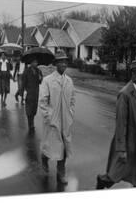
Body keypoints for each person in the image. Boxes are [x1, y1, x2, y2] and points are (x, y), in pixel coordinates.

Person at [96, 59, 136, 189]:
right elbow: (121, 124)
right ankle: (102, 182)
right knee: (116, 174)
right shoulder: (124, 94)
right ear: (133, 73)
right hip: (127, 144)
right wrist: (121, 149)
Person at [38, 51, 76, 185]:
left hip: (65, 121)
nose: (63, 64)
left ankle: (61, 173)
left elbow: (72, 99)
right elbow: (43, 102)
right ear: (55, 64)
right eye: (60, 61)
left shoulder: (69, 81)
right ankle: (44, 160)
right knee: (49, 146)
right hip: (52, 121)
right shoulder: (48, 80)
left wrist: (70, 113)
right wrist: (49, 117)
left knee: (64, 147)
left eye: (65, 61)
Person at [22, 57, 43, 133]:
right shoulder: (26, 71)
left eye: (36, 62)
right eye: (34, 62)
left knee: (34, 108)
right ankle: (30, 123)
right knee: (29, 108)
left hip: (36, 92)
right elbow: (23, 82)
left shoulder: (38, 71)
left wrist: (40, 78)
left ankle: (32, 121)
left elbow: (40, 81)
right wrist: (22, 92)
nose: (35, 64)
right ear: (31, 63)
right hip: (29, 92)